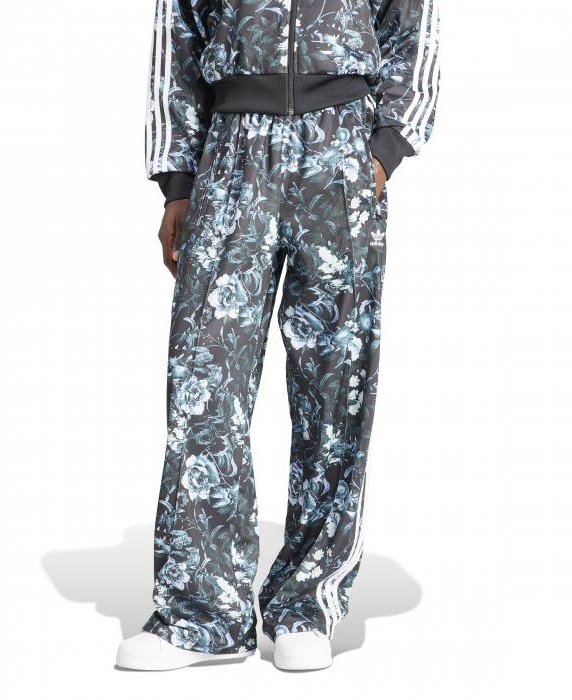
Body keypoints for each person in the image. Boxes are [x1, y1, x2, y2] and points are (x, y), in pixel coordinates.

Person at [116, 0, 440, 672]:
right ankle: (201, 613)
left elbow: (415, 25)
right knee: (206, 378)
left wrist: (384, 148)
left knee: (335, 384)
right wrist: (177, 182)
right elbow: (177, 37)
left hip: (341, 146)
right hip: (230, 151)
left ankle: (307, 603)